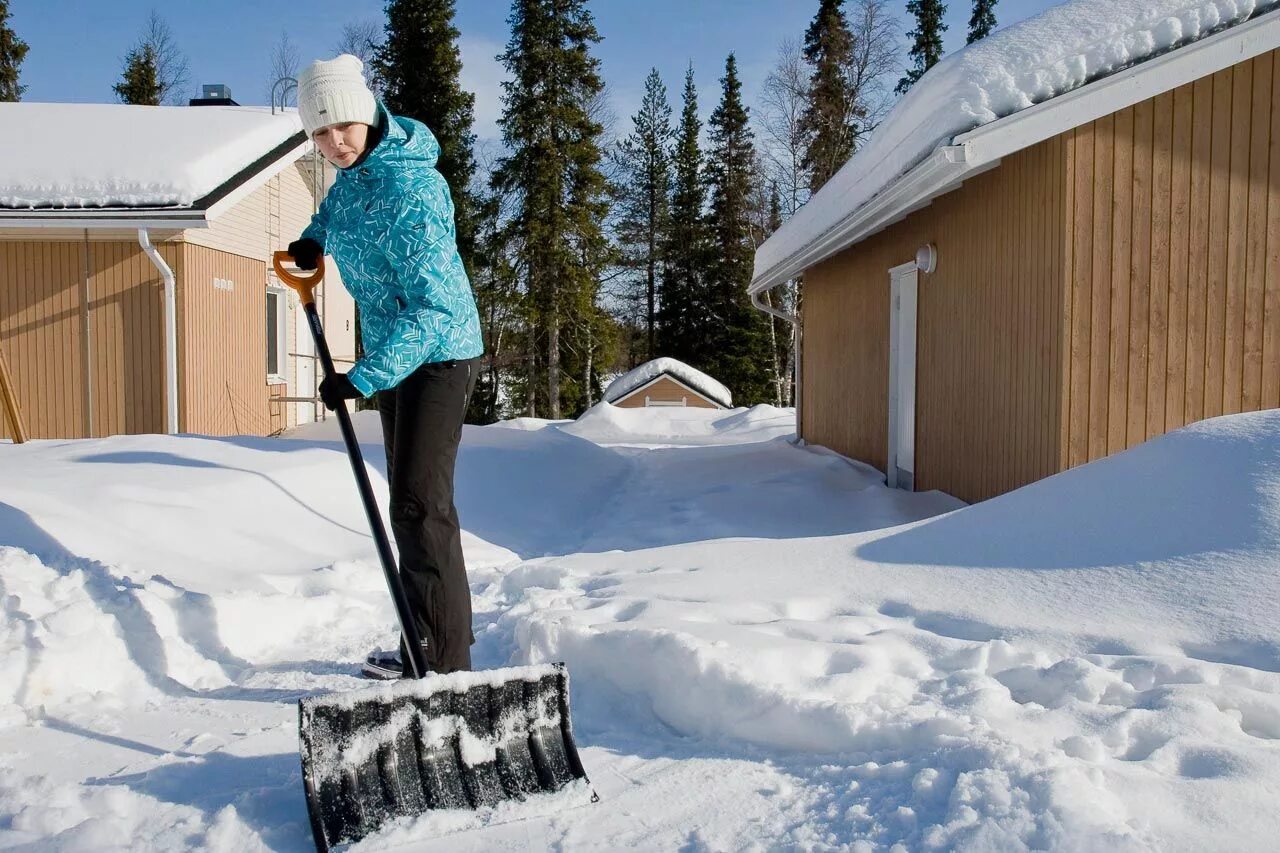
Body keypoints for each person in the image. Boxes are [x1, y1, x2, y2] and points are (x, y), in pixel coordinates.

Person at [287, 55, 483, 678]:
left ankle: (444, 664)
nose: (333, 142)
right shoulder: (355, 179)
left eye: (342, 125)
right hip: (395, 357)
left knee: (424, 509)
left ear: (367, 114)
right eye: (319, 132)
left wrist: (361, 376)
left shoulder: (413, 189)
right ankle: (416, 643)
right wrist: (313, 237)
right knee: (407, 505)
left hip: (437, 356)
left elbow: (432, 311)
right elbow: (338, 213)